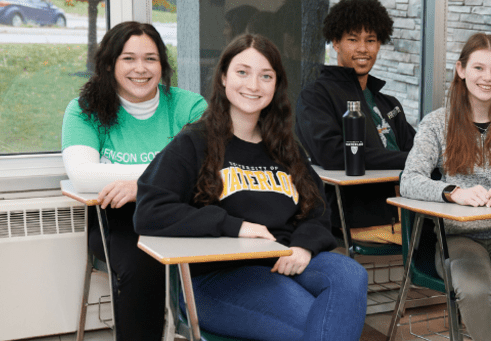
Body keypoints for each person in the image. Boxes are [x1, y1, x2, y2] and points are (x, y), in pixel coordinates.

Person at [134, 34, 368, 340]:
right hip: (218, 276)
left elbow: (318, 207)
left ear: (276, 85)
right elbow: (150, 211)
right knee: (316, 322)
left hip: (284, 258)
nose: (254, 85)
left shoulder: (285, 147)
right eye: (242, 72)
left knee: (351, 274)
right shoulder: (194, 142)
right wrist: (236, 226)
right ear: (223, 78)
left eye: (265, 76)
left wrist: (303, 246)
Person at [60, 21, 206, 341]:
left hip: (182, 210)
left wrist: (141, 186)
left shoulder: (189, 105)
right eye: (128, 58)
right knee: (144, 261)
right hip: (117, 219)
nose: (141, 68)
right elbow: (84, 175)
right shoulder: (85, 110)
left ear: (162, 65)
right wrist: (167, 173)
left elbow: (208, 170)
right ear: (110, 63)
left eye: (151, 58)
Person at [399, 33, 491, 341]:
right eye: (479, 68)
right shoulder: (436, 124)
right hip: (459, 236)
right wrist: (453, 192)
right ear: (461, 69)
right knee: (475, 293)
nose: (487, 78)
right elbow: (409, 180)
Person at [295, 0, 416, 232]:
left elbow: (420, 150)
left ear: (379, 44)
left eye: (370, 40)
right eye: (352, 39)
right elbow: (333, 155)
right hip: (360, 218)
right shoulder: (316, 97)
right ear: (335, 43)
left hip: (409, 210)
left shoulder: (388, 103)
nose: (363, 48)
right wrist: (408, 161)